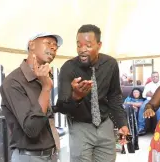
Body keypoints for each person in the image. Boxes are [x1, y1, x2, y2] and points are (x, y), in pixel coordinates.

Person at [54, 24, 129, 162]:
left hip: (105, 124)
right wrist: (75, 97)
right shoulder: (68, 68)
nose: (82, 50)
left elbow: (114, 96)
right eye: (79, 45)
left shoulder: (110, 64)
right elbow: (61, 107)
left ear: (99, 45)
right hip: (80, 126)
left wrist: (122, 123)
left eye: (88, 45)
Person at [0, 33, 63, 162]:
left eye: (56, 45)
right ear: (31, 44)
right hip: (29, 157)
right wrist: (46, 88)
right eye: (48, 42)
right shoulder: (13, 82)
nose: (53, 48)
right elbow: (32, 129)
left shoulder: (42, 78)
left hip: (50, 155)